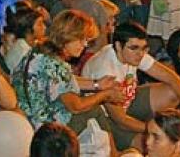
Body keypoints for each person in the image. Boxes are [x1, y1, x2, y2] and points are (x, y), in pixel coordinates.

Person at [81, 22, 180, 150]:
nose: (140, 54)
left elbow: (172, 78)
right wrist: (155, 130)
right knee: (148, 144)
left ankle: (155, 127)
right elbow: (120, 119)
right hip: (107, 118)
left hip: (128, 101)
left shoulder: (134, 54)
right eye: (134, 48)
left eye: (144, 48)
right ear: (118, 46)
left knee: (172, 92)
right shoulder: (105, 69)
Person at [11, 10, 125, 142]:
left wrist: (97, 84)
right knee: (95, 110)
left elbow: (63, 81)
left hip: (25, 121)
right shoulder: (56, 65)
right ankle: (114, 152)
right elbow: (76, 106)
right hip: (45, 131)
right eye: (81, 39)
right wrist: (105, 95)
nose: (85, 45)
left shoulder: (39, 51)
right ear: (67, 36)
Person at [4, 7, 47, 74]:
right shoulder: (24, 51)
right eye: (40, 24)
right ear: (28, 29)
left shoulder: (26, 43)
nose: (44, 27)